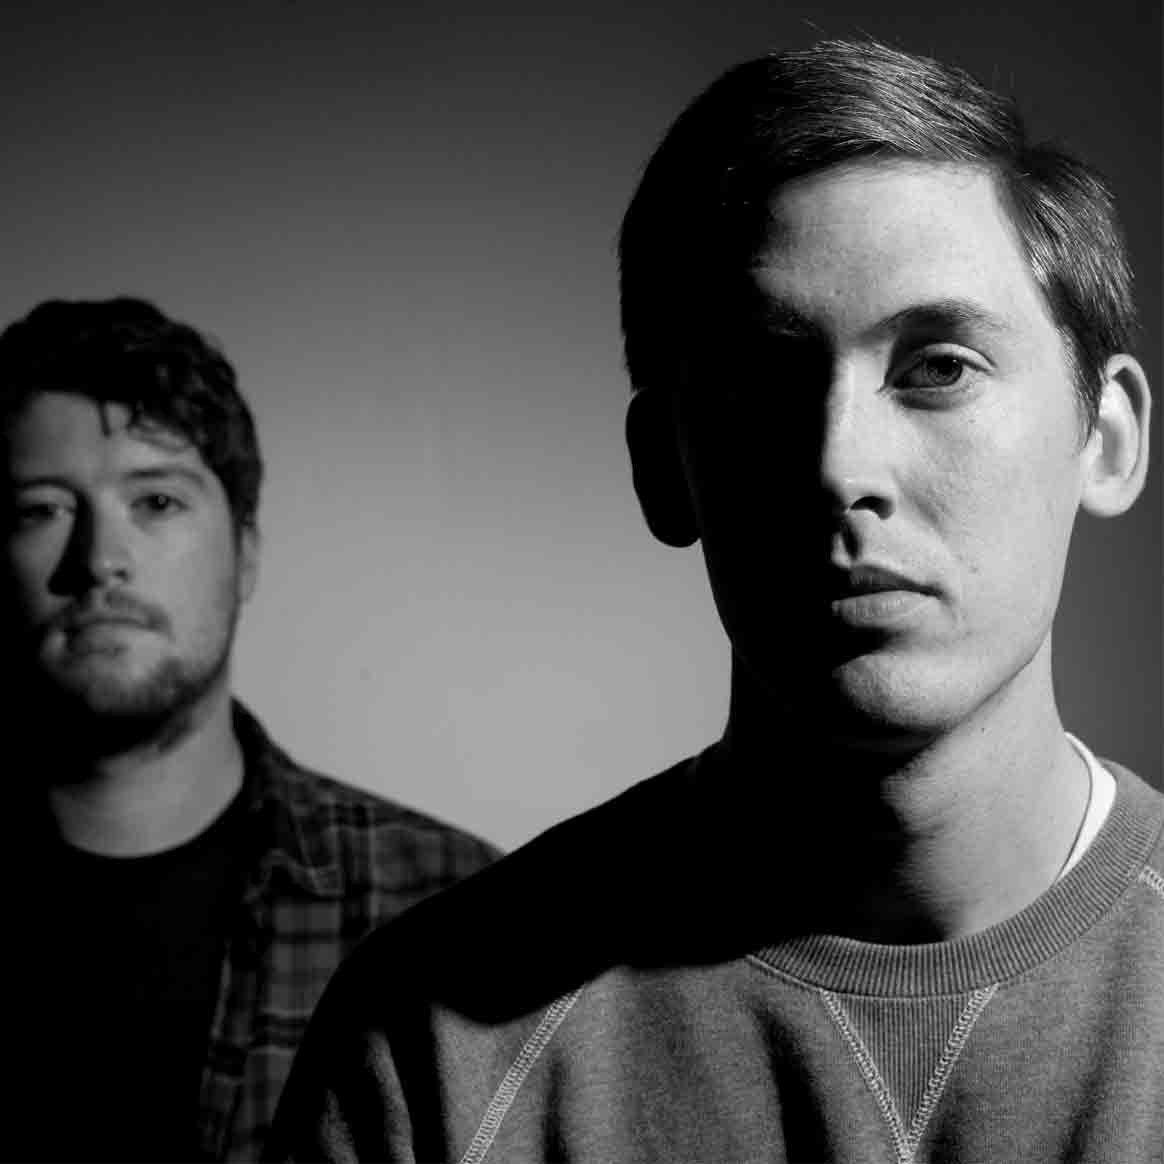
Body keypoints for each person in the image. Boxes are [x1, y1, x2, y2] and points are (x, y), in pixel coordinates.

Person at [267, 39, 1160, 1163]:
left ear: (1106, 437)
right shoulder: (429, 1042)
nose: (841, 464)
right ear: (663, 467)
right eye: (758, 380)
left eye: (938, 366)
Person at [0, 297, 500, 1162]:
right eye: (40, 510)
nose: (100, 561)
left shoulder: (449, 909)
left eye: (157, 501)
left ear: (247, 554)